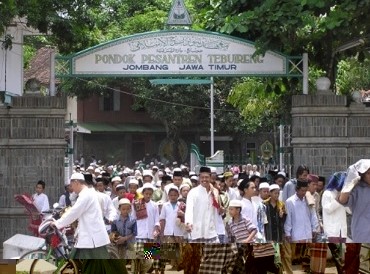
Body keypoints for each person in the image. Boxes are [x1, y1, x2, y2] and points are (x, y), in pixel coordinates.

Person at [52, 173, 110, 259]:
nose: (72, 188)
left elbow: (74, 212)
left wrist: (57, 224)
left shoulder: (86, 195)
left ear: (76, 182)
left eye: (72, 185)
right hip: (88, 237)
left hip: (92, 238)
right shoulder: (87, 193)